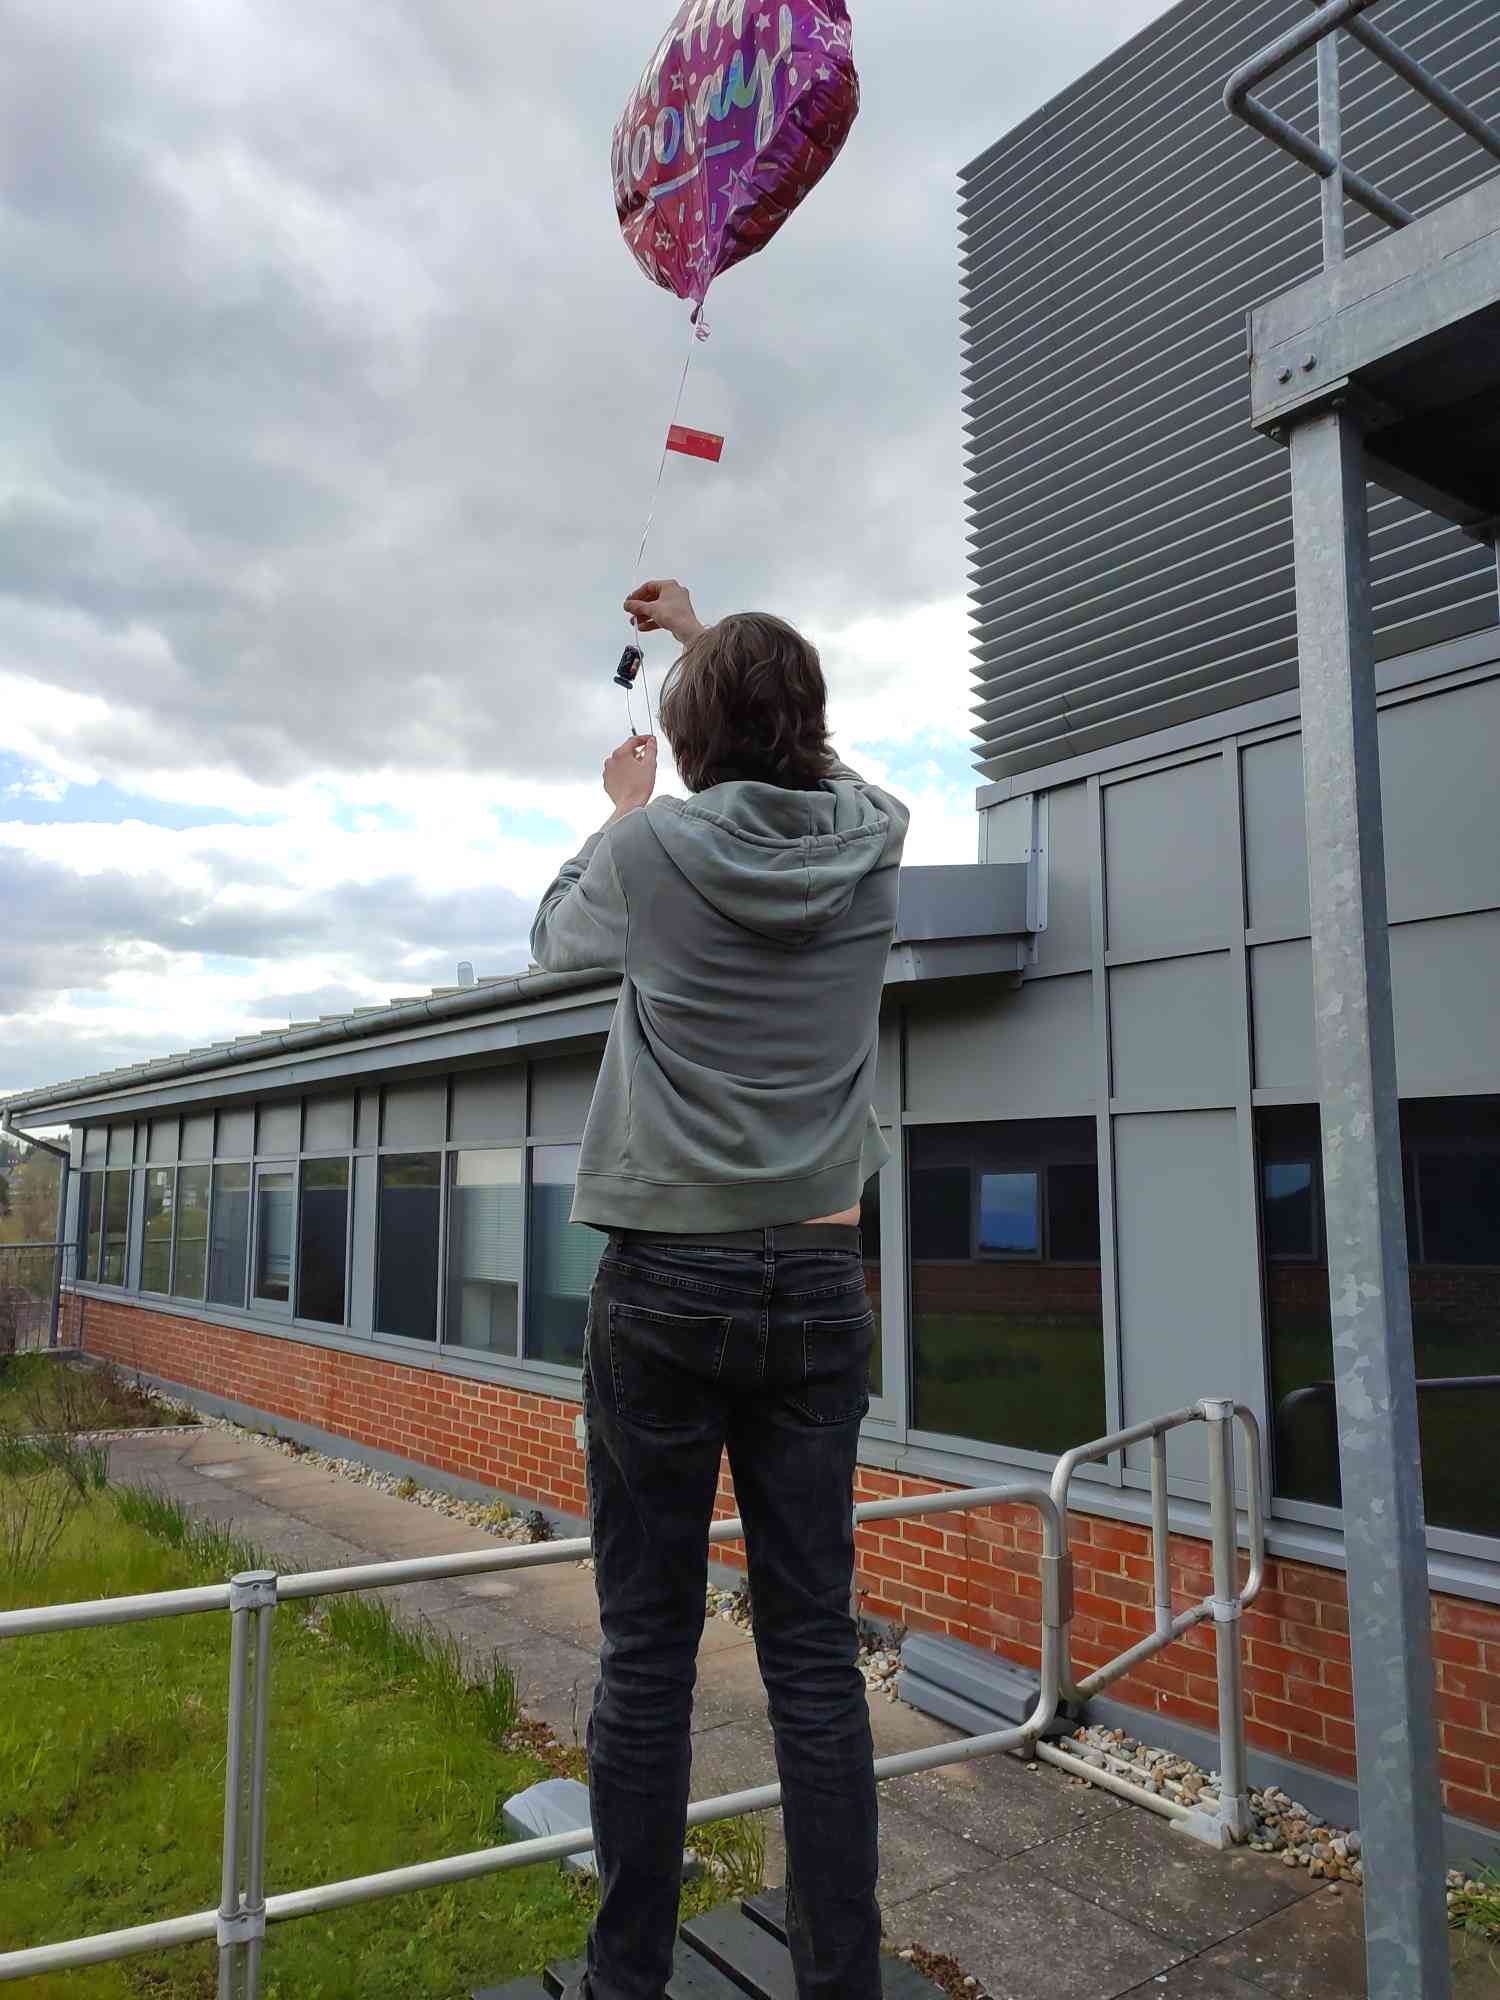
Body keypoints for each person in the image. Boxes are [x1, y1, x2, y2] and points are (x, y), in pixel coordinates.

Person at [530, 578, 909, 2000]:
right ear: (808, 728)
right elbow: (841, 770)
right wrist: (712, 644)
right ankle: (842, 1984)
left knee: (648, 1651)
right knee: (814, 1655)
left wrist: (622, 806)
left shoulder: (655, 851)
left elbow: (555, 939)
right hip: (817, 1272)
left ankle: (627, 1982)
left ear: (684, 747)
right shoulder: (876, 842)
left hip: (667, 1279)